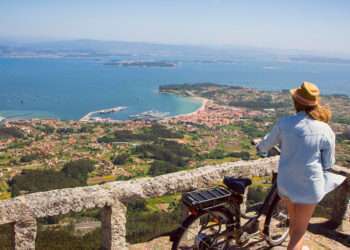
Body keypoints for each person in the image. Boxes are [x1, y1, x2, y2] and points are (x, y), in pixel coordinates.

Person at [256, 81, 346, 250]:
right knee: (299, 232)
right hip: (309, 186)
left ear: (295, 102)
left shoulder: (284, 123)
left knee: (294, 224)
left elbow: (264, 146)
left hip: (286, 184)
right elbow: (328, 164)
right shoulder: (325, 130)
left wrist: (260, 148)